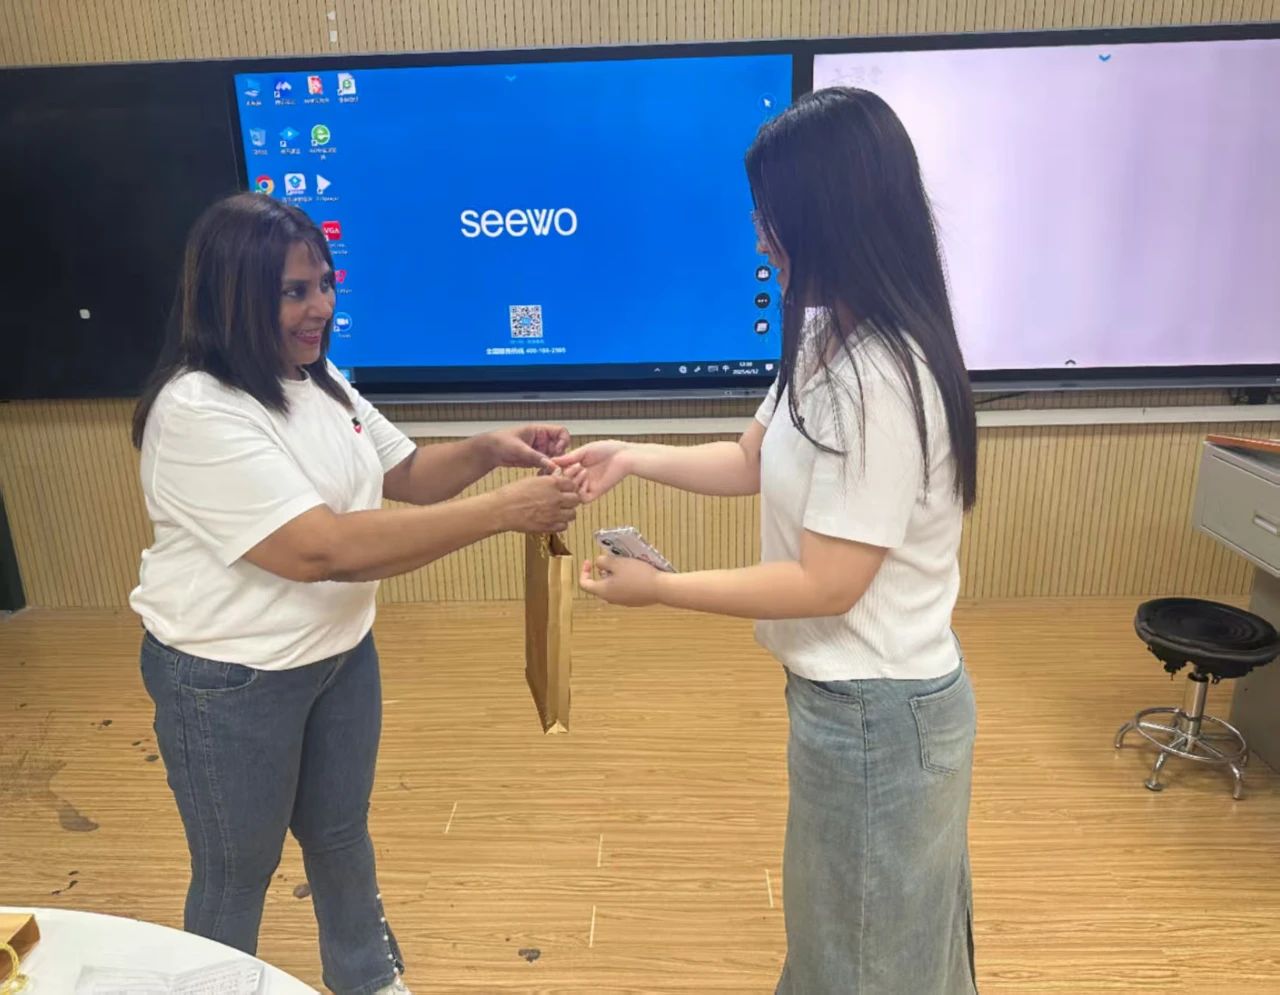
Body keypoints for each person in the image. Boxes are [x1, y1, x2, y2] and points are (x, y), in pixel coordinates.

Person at [557, 88, 980, 994]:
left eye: (773, 221)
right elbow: (752, 458)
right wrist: (629, 455)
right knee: (861, 944)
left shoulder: (882, 377)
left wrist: (660, 588)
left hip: (878, 715)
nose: (761, 242)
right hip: (853, 704)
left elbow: (826, 583)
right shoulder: (828, 339)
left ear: (833, 217)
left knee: (863, 961)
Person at [129, 192, 580, 995]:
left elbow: (408, 473)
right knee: (237, 869)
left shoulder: (318, 379)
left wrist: (489, 450)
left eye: (325, 284)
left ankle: (368, 977)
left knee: (339, 834)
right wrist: (503, 511)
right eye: (293, 292)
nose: (320, 308)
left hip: (338, 656)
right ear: (233, 296)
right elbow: (320, 549)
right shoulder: (196, 408)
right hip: (227, 681)